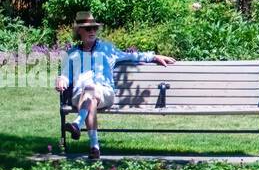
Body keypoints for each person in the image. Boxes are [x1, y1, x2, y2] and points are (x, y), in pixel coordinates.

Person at [54, 12, 176, 160]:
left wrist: (154, 56)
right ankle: (94, 147)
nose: (92, 31)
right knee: (89, 95)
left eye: (94, 28)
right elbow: (66, 75)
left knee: (91, 89)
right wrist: (61, 80)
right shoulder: (72, 54)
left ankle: (78, 124)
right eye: (88, 29)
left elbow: (131, 56)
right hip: (79, 96)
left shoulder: (107, 49)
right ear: (79, 31)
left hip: (105, 93)